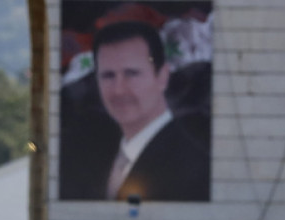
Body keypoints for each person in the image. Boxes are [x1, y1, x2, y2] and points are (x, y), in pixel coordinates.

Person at [60, 18, 211, 202]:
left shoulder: (193, 167)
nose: (118, 89)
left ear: (162, 77)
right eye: (108, 76)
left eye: (132, 74)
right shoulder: (89, 151)